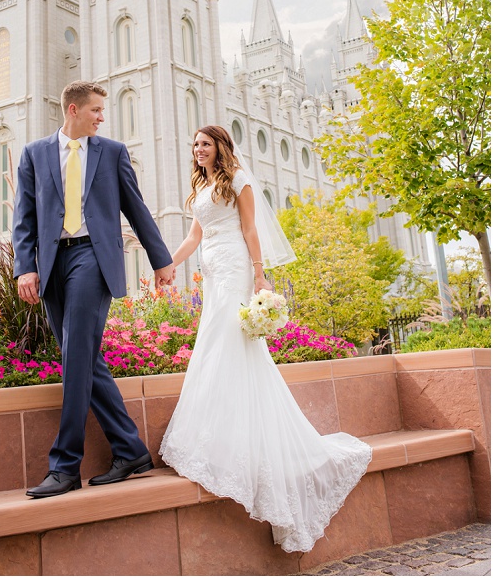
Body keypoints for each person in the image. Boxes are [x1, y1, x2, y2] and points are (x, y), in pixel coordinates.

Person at [159, 125, 371, 552]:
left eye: (205, 143)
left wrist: (259, 274)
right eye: (194, 143)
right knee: (216, 342)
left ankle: (235, 437)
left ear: (221, 145)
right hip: (213, 270)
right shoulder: (201, 187)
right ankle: (225, 431)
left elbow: (251, 229)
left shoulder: (238, 179)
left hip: (237, 265)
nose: (198, 149)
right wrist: (165, 266)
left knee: (226, 340)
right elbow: (194, 236)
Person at [13, 80, 175, 498]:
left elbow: (135, 206)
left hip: (93, 258)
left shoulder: (112, 153)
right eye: (96, 111)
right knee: (82, 357)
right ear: (73, 110)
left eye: (103, 111)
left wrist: (161, 259)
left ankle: (65, 466)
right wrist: (23, 269)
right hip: (51, 263)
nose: (103, 118)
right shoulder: (34, 154)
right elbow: (24, 218)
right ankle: (130, 449)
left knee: (75, 353)